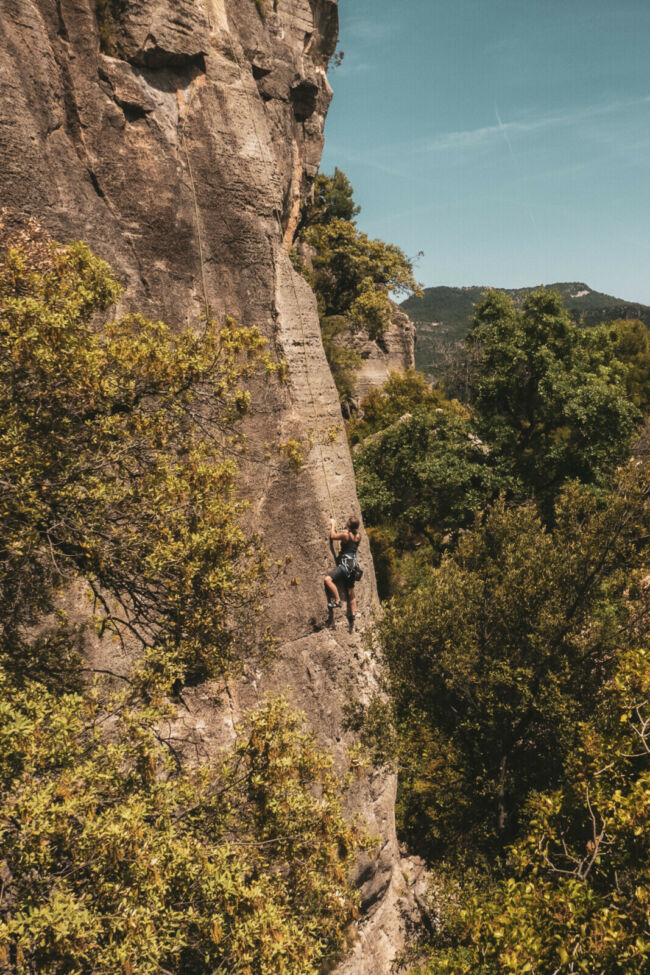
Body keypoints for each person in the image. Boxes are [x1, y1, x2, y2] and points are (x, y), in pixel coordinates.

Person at [324, 515, 361, 626]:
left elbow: (333, 536)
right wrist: (347, 531)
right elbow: (350, 539)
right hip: (353, 566)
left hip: (345, 566)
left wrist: (333, 524)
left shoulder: (345, 535)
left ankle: (337, 600)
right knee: (350, 591)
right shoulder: (359, 536)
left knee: (328, 579)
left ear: (349, 525)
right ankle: (352, 614)